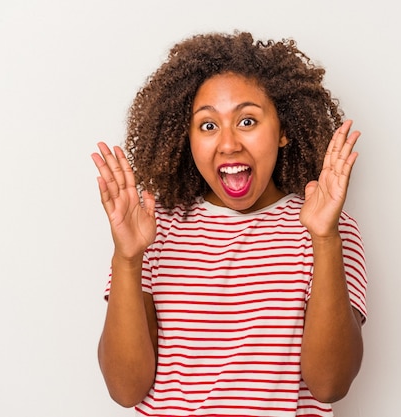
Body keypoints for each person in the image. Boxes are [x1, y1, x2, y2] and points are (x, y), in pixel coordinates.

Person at [91, 31, 367, 416]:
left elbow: (330, 384)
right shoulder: (154, 229)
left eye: (248, 120)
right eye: (208, 126)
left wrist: (324, 239)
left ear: (284, 129)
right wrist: (127, 259)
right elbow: (125, 389)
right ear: (185, 138)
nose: (228, 143)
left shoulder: (327, 227)